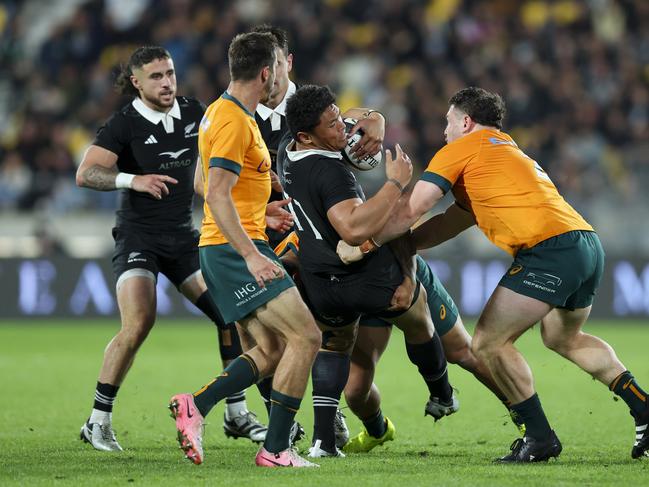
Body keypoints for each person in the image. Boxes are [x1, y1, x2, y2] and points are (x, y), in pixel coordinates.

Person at [343, 86, 649, 462]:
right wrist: (405, 245)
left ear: (466, 122)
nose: (444, 132)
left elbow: (412, 208)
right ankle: (644, 408)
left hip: (549, 251)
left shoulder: (459, 150)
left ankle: (539, 438)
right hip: (584, 244)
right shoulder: (502, 152)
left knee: (488, 342)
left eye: (449, 122)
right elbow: (446, 224)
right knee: (563, 338)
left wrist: (363, 240)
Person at [75, 46, 269, 452]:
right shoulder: (124, 124)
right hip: (138, 237)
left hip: (183, 239)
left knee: (230, 314)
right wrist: (133, 180)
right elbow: (86, 172)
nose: (166, 83)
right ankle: (98, 420)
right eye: (156, 77)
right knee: (139, 322)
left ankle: (236, 414)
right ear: (136, 82)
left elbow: (212, 174)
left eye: (170, 73)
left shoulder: (196, 113)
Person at [168, 32, 321, 468]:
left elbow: (202, 181)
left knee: (273, 348)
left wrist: (259, 209)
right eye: (279, 70)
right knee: (306, 336)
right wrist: (253, 253)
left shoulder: (220, 113)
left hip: (226, 245)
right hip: (236, 251)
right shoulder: (237, 122)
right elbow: (214, 194)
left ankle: (196, 405)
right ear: (267, 72)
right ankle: (275, 450)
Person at [279, 84, 457, 458]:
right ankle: (441, 393)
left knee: (335, 344)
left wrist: (374, 119)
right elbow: (354, 229)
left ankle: (323, 443)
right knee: (417, 311)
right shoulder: (330, 173)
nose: (342, 129)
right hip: (365, 276)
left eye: (337, 117)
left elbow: (357, 116)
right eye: (333, 126)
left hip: (319, 279)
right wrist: (395, 182)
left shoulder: (288, 148)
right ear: (307, 135)